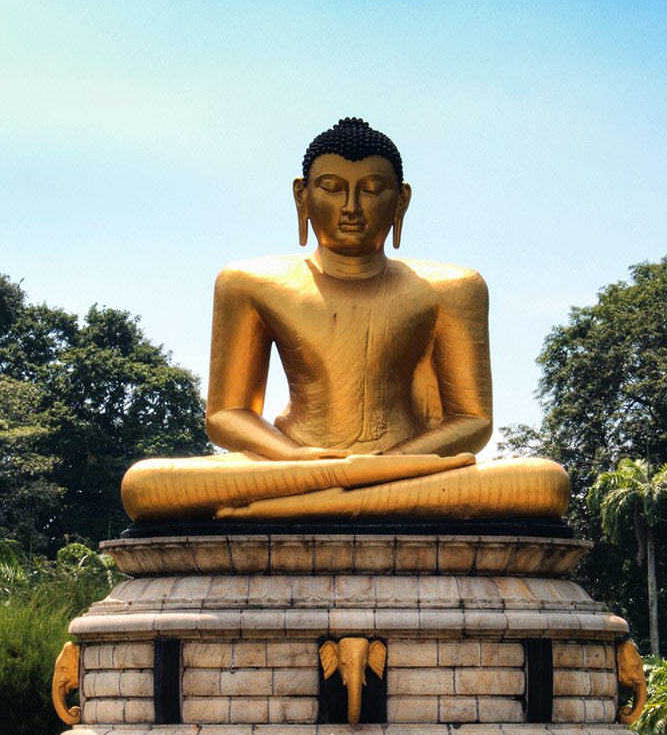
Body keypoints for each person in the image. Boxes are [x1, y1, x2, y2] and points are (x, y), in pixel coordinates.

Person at [120, 117, 569, 524]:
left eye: (372, 189)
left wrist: (386, 465)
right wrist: (301, 460)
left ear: (402, 201)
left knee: (543, 481)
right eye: (332, 186)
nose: (351, 205)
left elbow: (472, 420)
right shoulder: (248, 283)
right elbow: (226, 413)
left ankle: (310, 503)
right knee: (145, 484)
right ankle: (340, 495)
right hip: (292, 464)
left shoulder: (453, 287)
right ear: (303, 195)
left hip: (408, 467)